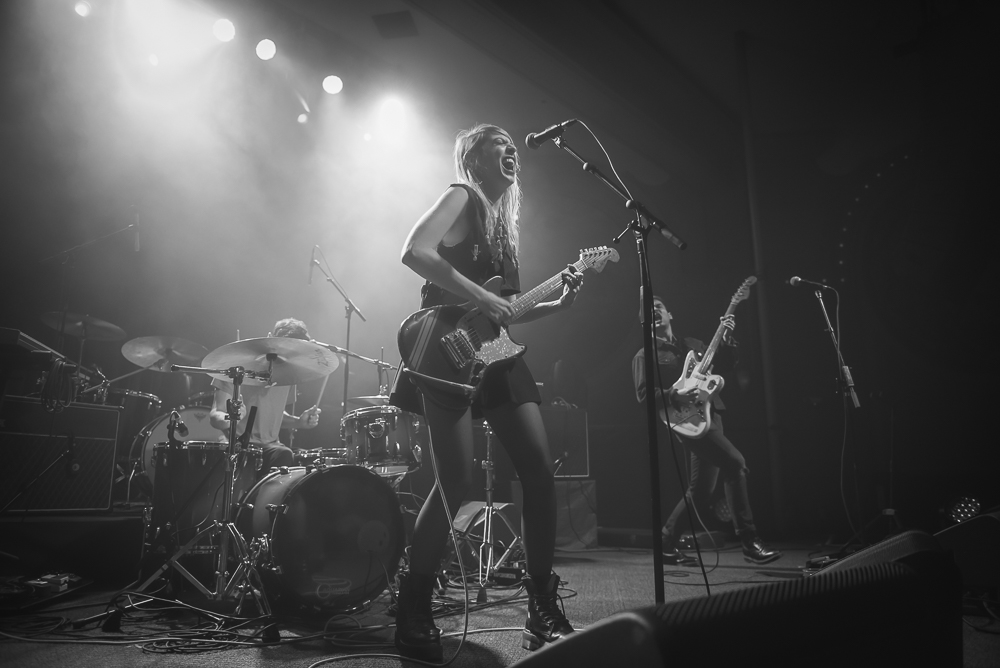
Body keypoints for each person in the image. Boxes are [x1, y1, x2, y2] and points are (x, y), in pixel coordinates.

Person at [389, 123, 584, 660]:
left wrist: (556, 304)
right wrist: (480, 295)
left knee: (539, 473)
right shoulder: (462, 196)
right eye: (500, 144)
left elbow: (505, 311)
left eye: (513, 147)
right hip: (444, 346)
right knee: (456, 481)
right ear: (473, 157)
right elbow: (414, 251)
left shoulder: (504, 228)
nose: (512, 150)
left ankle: (541, 607)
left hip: (495, 352)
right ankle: (413, 608)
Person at [632, 296, 781, 566]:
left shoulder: (692, 345)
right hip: (685, 419)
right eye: (647, 311)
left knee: (700, 491)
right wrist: (674, 394)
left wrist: (727, 339)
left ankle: (665, 542)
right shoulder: (644, 355)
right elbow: (644, 396)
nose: (654, 311)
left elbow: (725, 365)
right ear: (643, 322)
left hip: (712, 413)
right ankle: (749, 541)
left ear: (670, 314)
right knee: (735, 464)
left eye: (659, 307)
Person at [208, 317, 322, 478]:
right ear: (270, 338)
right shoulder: (234, 366)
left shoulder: (290, 373)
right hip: (238, 445)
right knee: (284, 454)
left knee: (313, 464)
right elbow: (215, 416)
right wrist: (231, 417)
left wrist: (298, 422)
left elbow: (272, 414)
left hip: (272, 447)